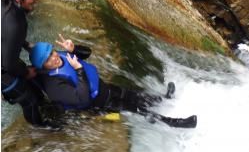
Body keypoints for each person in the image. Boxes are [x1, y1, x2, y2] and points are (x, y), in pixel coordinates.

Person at [29, 35, 197, 128]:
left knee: (137, 96)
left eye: (52, 52)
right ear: (43, 66)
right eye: (48, 58)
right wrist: (79, 70)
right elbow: (82, 98)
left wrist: (74, 49)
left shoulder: (61, 56)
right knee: (139, 110)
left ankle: (164, 98)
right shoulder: (53, 86)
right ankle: (174, 123)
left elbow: (87, 53)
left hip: (106, 88)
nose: (55, 57)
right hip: (100, 105)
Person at [1, 0, 47, 126]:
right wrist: (25, 72)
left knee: (32, 86)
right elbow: (8, 64)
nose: (35, 0)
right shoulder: (14, 22)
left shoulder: (5, 3)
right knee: (29, 101)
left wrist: (26, 44)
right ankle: (42, 132)